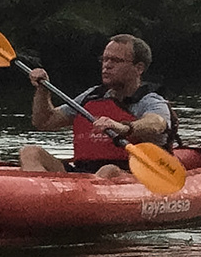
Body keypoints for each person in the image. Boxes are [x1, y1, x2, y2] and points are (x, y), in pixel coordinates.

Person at [19, 33, 172, 179]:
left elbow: (157, 123)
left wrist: (123, 128)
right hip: (81, 173)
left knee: (108, 170)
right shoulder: (92, 96)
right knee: (30, 152)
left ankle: (76, 202)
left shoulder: (149, 100)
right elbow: (45, 122)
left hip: (128, 174)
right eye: (105, 59)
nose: (107, 66)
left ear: (138, 68)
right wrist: (42, 90)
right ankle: (44, 197)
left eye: (115, 60)